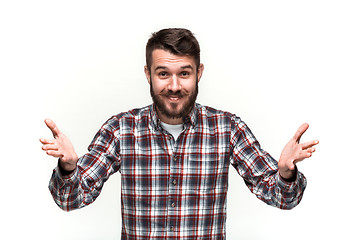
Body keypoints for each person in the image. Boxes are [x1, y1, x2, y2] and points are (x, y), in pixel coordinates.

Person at [40, 28, 319, 239]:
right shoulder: (120, 129)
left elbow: (283, 198)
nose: (174, 86)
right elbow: (70, 200)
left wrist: (285, 173)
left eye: (184, 73)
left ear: (199, 73)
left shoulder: (227, 128)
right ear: (148, 74)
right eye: (163, 74)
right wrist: (68, 168)